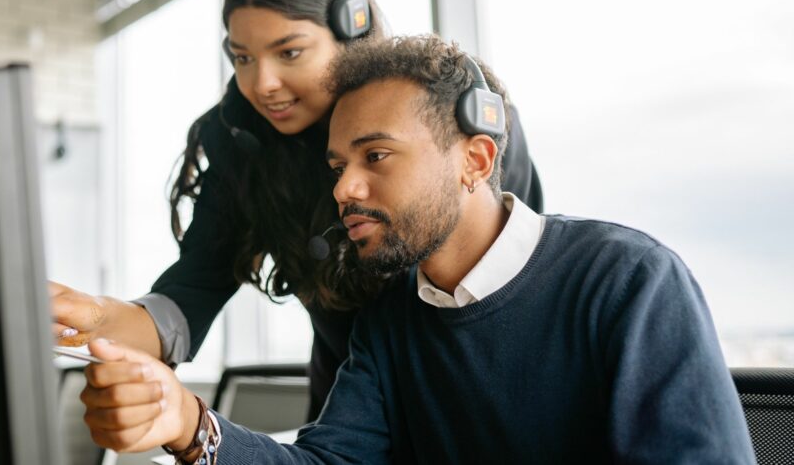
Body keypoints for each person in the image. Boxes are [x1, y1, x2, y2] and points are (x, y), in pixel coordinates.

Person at [76, 35, 755, 463]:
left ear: (476, 158)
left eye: (376, 155)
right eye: (339, 163)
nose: (344, 186)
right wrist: (189, 422)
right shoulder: (390, 318)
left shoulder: (630, 283)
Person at [51, 0, 544, 420]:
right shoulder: (242, 145)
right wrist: (97, 319)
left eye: (289, 53)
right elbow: (190, 294)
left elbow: (517, 287)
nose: (262, 85)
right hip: (345, 413)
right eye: (242, 58)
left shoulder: (460, 125)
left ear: (351, 32)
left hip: (466, 397)